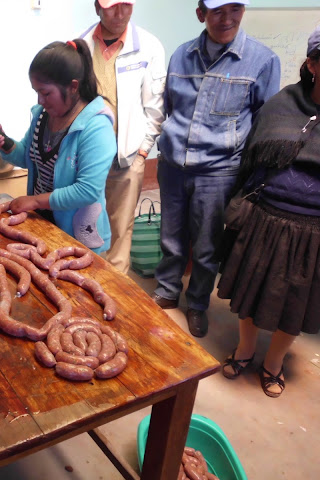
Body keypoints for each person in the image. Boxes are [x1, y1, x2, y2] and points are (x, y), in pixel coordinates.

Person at [152, 0, 280, 337]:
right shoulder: (181, 54)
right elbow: (170, 106)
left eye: (235, 9)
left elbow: (264, 123)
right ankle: (166, 291)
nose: (227, 19)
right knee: (171, 237)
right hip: (173, 163)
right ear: (201, 14)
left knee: (207, 245)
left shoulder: (262, 59)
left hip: (219, 170)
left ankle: (197, 304)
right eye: (217, 11)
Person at [217, 27, 320, 398]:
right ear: (312, 64)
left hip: (313, 232)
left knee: (294, 303)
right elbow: (250, 161)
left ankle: (274, 362)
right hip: (264, 217)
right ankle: (245, 350)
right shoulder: (282, 104)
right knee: (249, 291)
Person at [0, 39, 117, 254]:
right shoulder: (42, 116)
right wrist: (6, 144)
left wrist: (35, 201)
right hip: (43, 224)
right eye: (36, 91)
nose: (40, 100)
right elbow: (27, 156)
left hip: (77, 235)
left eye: (46, 93)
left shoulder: (96, 127)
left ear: (73, 87)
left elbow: (87, 190)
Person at [80, 0, 166, 273]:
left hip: (127, 156)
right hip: (88, 155)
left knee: (121, 227)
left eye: (125, 5)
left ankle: (115, 292)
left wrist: (143, 151)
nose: (119, 13)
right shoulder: (81, 46)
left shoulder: (149, 46)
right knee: (85, 222)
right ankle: (84, 284)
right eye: (111, 6)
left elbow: (156, 106)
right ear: (97, 8)